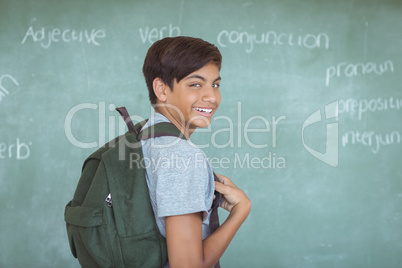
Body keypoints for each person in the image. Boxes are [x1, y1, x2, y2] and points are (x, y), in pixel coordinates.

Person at [141, 36, 251, 268]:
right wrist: (240, 211)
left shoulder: (145, 135)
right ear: (161, 89)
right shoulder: (183, 156)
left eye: (216, 84)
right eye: (196, 84)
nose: (212, 96)